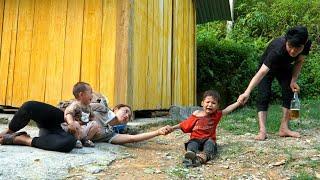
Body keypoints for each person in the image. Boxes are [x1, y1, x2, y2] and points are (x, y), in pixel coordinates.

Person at [237, 26, 312, 140]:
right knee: (264, 94)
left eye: (297, 48)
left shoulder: (306, 43)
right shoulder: (276, 49)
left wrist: (293, 80)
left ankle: (284, 128)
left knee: (289, 92)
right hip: (267, 68)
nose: (293, 51)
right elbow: (262, 72)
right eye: (290, 46)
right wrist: (247, 92)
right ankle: (262, 131)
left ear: (304, 44)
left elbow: (299, 61)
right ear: (286, 41)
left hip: (285, 67)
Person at [169, 90, 240, 167]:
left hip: (208, 139)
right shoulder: (196, 114)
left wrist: (238, 102)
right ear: (202, 103)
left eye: (213, 103)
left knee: (210, 145)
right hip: (195, 139)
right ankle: (189, 157)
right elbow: (184, 124)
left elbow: (227, 109)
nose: (210, 105)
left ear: (217, 106)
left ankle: (201, 158)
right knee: (192, 144)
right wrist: (172, 128)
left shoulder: (216, 115)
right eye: (208, 102)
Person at [0, 101, 76, 152]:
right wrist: (71, 122)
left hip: (60, 135)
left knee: (69, 142)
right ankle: (9, 131)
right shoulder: (80, 104)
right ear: (81, 94)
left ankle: (23, 139)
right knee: (29, 106)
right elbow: (69, 112)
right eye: (88, 92)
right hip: (60, 118)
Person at [91, 102, 172, 144]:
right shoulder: (102, 109)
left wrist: (157, 132)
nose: (126, 116)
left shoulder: (110, 135)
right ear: (116, 109)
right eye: (125, 111)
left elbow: (132, 138)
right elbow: (80, 106)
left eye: (129, 117)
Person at [62, 82, 102, 148]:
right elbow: (68, 114)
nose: (92, 95)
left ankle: (85, 140)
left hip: (83, 128)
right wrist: (71, 123)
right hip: (75, 129)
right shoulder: (75, 105)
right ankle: (76, 140)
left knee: (95, 124)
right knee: (76, 124)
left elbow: (92, 118)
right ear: (81, 94)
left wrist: (97, 128)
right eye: (90, 93)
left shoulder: (89, 107)